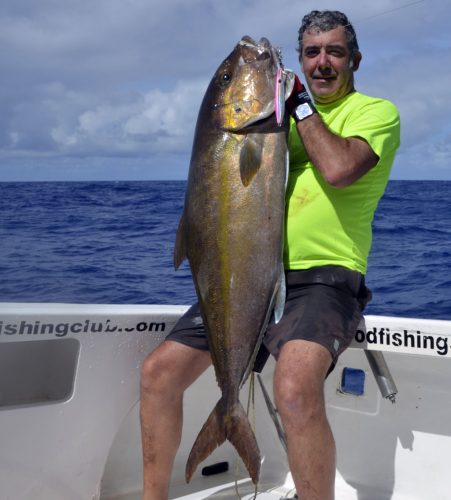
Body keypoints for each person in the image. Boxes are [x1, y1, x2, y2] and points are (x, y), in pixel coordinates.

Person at [140, 10, 400, 500]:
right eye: (311, 52)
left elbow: (341, 169)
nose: (322, 62)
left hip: (324, 281)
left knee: (295, 387)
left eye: (334, 52)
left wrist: (299, 106)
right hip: (251, 278)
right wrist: (276, 107)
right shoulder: (273, 125)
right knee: (158, 373)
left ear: (355, 60)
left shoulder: (374, 113)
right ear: (300, 57)